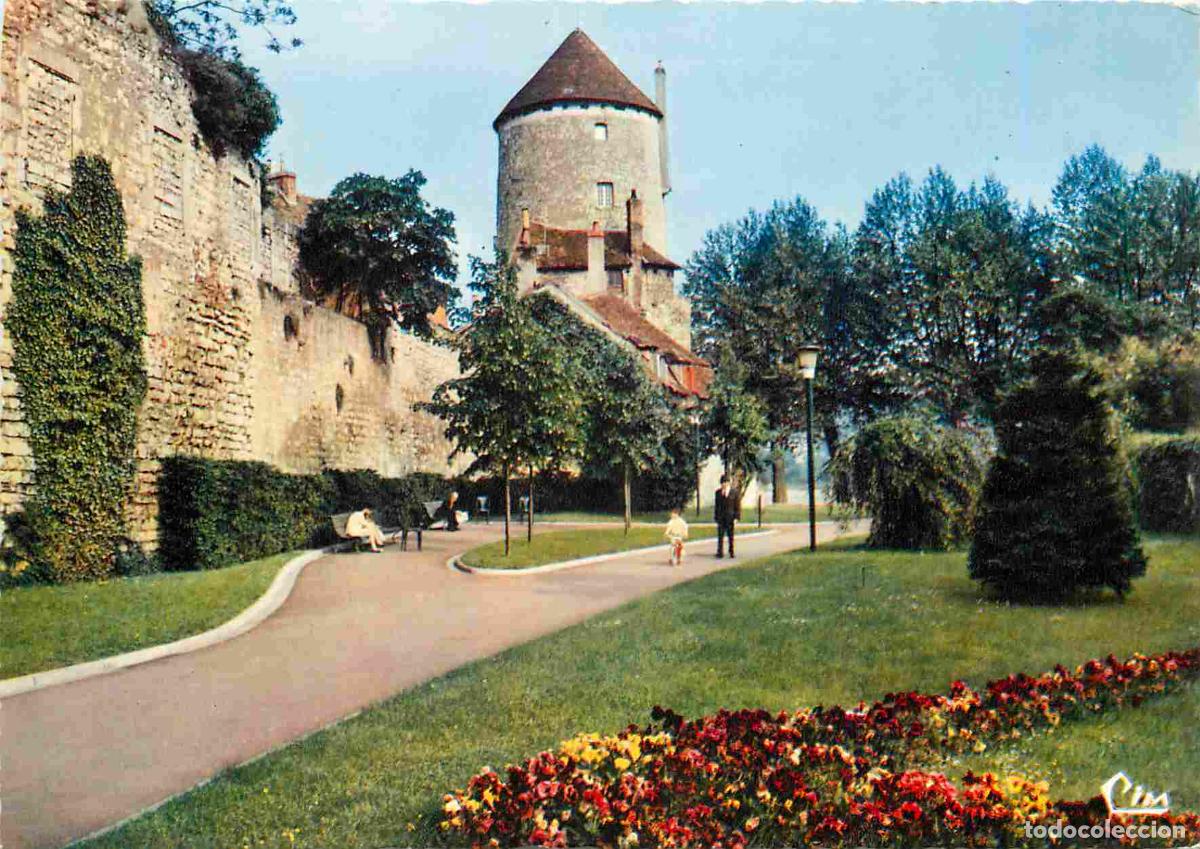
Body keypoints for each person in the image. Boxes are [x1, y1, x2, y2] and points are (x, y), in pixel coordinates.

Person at [714, 475, 740, 558]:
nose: (724, 485)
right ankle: (720, 551)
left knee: (730, 535)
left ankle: (731, 551)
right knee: (720, 535)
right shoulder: (718, 493)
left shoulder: (734, 492)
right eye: (722, 483)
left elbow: (737, 506)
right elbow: (717, 506)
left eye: (726, 483)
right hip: (721, 517)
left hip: (730, 517)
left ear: (729, 483)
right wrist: (716, 517)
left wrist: (736, 517)